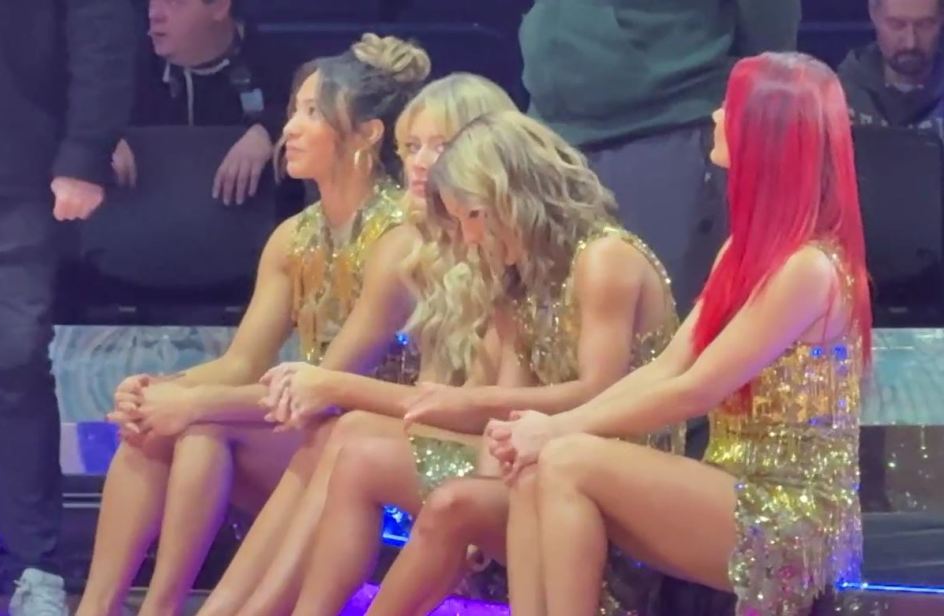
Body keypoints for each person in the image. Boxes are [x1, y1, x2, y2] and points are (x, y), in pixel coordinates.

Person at [489, 52, 872, 616]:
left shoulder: (807, 269)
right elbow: (668, 366)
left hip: (792, 516)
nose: (716, 114)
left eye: (730, 106)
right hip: (730, 487)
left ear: (760, 133)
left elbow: (697, 390)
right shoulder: (739, 254)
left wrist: (560, 427)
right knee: (535, 467)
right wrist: (547, 430)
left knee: (565, 457)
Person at [268, 110, 681, 616]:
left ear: (515, 195)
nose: (468, 237)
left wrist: (468, 404)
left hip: (612, 492)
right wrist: (486, 475)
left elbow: (600, 392)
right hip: (537, 471)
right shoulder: (521, 281)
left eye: (473, 216)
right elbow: (504, 417)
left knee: (451, 503)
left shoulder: (603, 259)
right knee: (364, 453)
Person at [74, 33, 430, 616]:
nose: (290, 127)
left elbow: (330, 390)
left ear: (367, 135)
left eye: (314, 113)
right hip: (307, 431)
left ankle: (164, 606)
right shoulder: (294, 236)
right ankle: (101, 608)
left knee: (204, 426)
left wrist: (193, 404)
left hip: (378, 457)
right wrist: (163, 391)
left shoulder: (399, 241)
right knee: (160, 427)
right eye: (294, 110)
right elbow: (242, 362)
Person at [195, 72, 522, 616]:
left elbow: (486, 413)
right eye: (412, 146)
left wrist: (332, 384)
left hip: (508, 463)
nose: (420, 162)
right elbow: (434, 398)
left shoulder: (509, 256)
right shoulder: (432, 250)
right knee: (321, 433)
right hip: (449, 444)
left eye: (440, 145)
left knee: (340, 432)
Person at [518, 0, 801, 461]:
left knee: (662, 344)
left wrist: (748, 103)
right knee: (554, 347)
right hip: (554, 128)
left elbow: (769, 24)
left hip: (666, 124)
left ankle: (659, 507)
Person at [0, 0, 135, 613]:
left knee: (11, 364)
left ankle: (33, 570)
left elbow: (102, 26)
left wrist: (85, 149)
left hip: (14, 161)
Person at [113, 0, 288, 206]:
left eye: (174, 2)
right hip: (140, 226)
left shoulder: (282, 68)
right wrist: (103, 140)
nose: (154, 14)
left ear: (220, 6)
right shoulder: (116, 72)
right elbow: (77, 123)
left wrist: (269, 131)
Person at [838, 0, 944, 134]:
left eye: (924, 25)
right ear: (874, 14)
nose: (910, 43)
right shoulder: (838, 98)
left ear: (942, 17)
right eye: (896, 25)